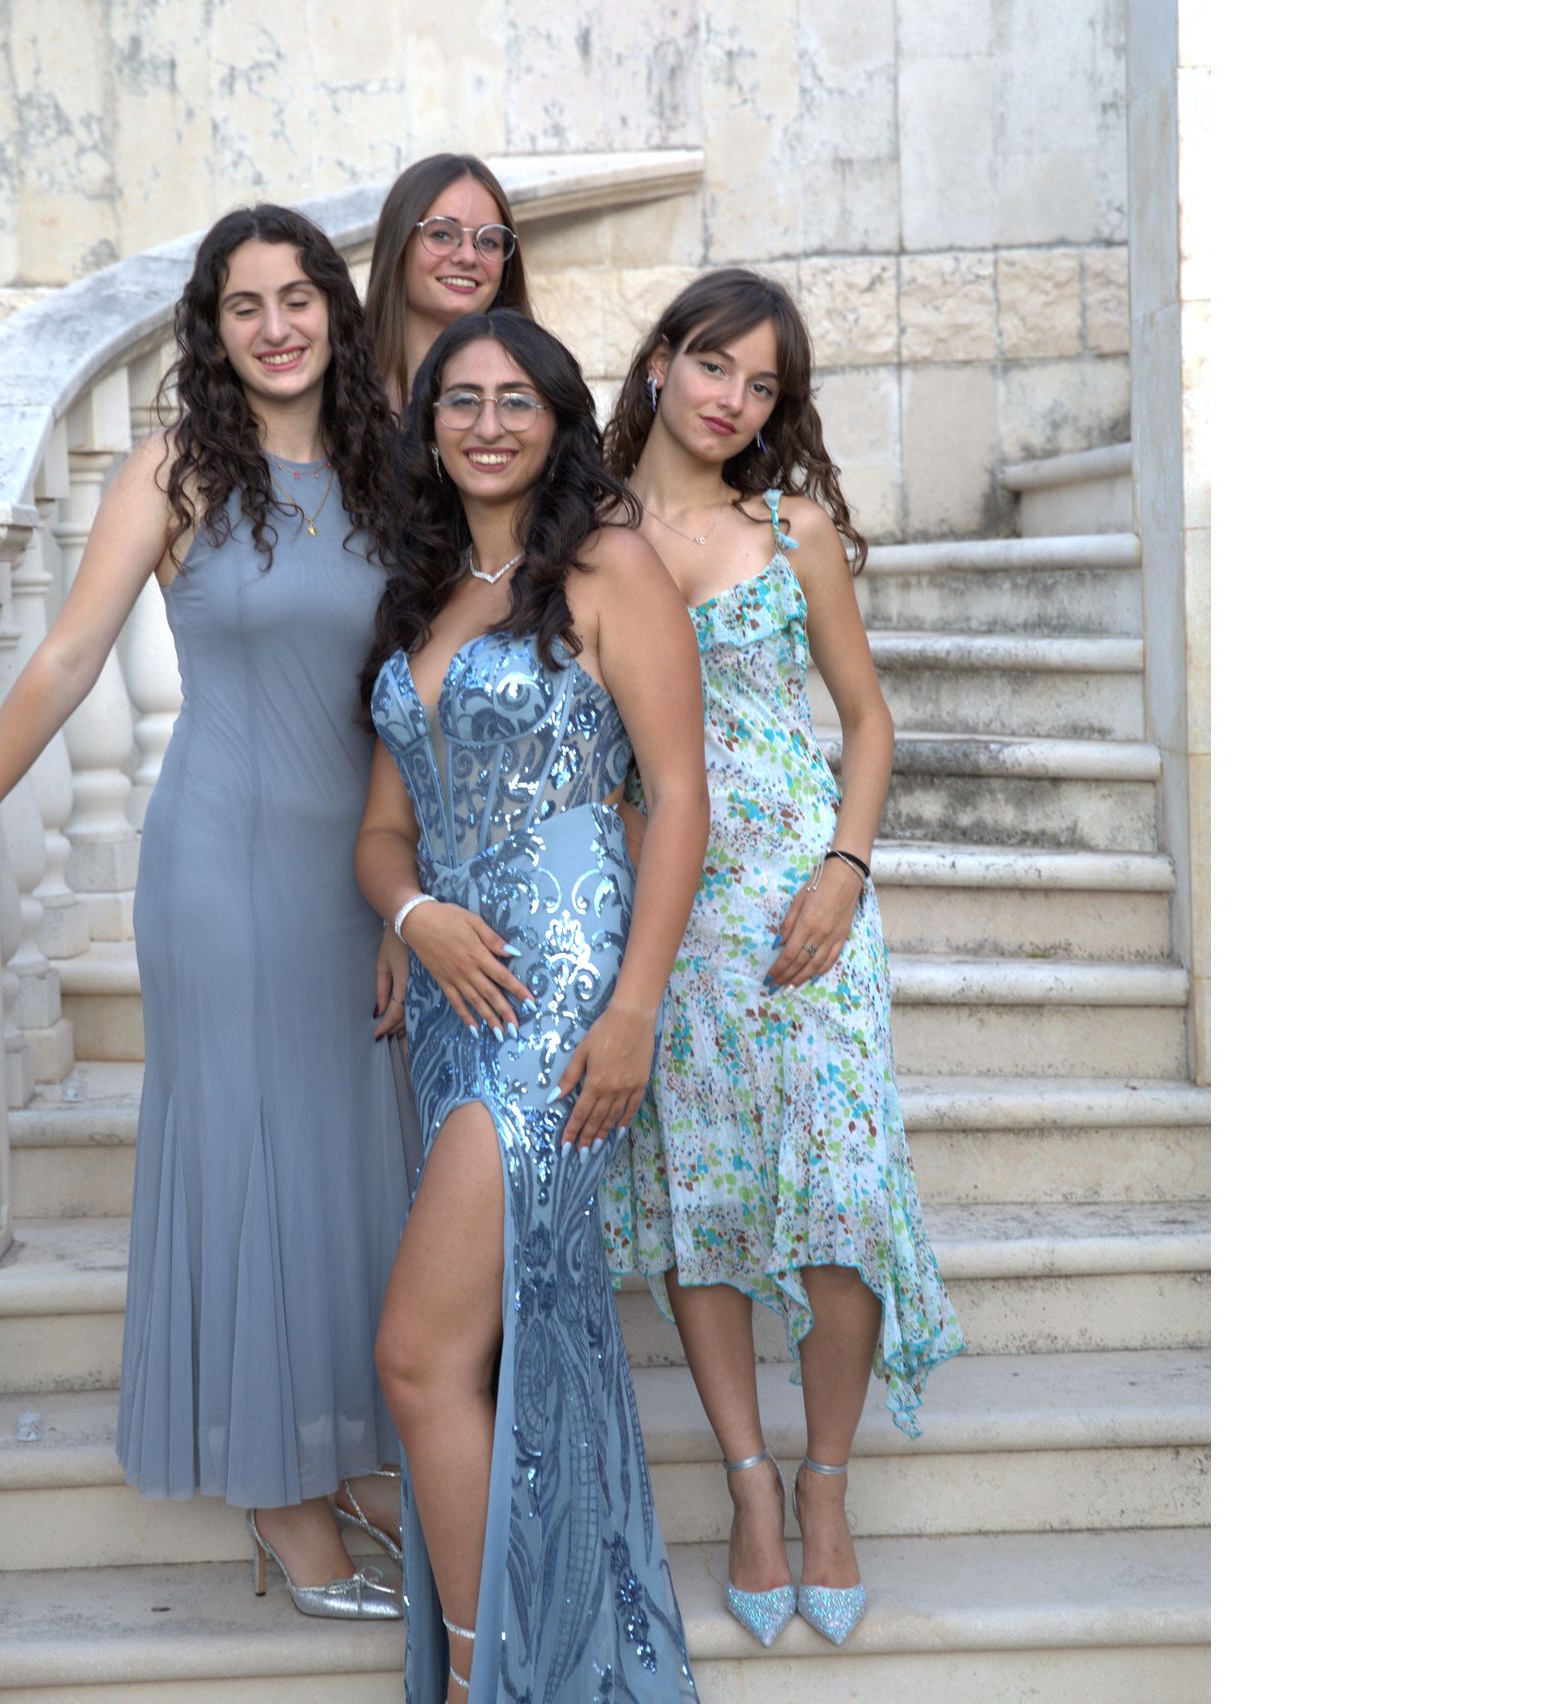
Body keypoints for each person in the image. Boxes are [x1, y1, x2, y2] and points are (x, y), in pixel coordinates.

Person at [0, 204, 414, 1621]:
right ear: (208, 330)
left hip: (362, 873)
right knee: (255, 1162)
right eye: (243, 305)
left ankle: (339, 1454)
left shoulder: (389, 464)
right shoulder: (175, 470)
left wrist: (419, 896)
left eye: (298, 298)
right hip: (224, 865)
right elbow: (65, 656)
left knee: (350, 1167)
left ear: (335, 311)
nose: (276, 327)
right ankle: (282, 1504)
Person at [598, 269, 966, 1649]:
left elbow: (867, 721)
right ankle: (749, 1484)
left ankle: (825, 1482)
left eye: (762, 386)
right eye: (714, 366)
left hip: (804, 910)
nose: (733, 400)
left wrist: (846, 868)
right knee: (705, 1195)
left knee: (840, 1192)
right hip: (668, 914)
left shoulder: (791, 528)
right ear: (659, 364)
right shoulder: (585, 531)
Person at [356, 308, 709, 1703]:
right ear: (429, 424)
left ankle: (474, 1677)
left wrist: (634, 1010)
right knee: (497, 1342)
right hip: (452, 990)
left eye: (517, 399)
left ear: (560, 421)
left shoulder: (610, 565)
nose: (488, 422)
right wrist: (412, 916)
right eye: (461, 398)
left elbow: (677, 797)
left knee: (418, 1353)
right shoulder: (423, 590)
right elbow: (383, 832)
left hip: (561, 989)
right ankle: (532, 1654)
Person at [363, 153, 533, 407]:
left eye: (489, 241)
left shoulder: (538, 396)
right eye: (442, 234)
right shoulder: (333, 383)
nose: (468, 257)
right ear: (399, 243)